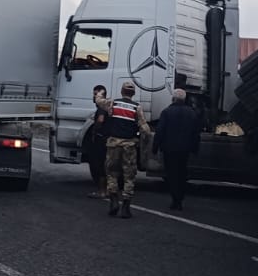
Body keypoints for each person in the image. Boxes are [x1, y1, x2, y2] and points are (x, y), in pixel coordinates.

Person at [103, 81, 149, 218]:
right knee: (129, 176)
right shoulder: (136, 107)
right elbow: (145, 129)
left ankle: (113, 201)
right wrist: (144, 141)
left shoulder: (114, 103)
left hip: (113, 144)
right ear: (133, 93)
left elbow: (101, 103)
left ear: (122, 91)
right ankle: (125, 208)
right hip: (129, 146)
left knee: (112, 173)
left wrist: (100, 94)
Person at [152, 88, 201, 210]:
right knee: (182, 173)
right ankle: (180, 197)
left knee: (171, 174)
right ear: (184, 99)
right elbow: (196, 133)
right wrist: (195, 148)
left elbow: (160, 131)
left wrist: (155, 147)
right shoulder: (192, 113)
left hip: (169, 149)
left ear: (173, 98)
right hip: (185, 149)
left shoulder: (166, 112)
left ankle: (175, 199)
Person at [81, 84, 110, 198]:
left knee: (99, 165)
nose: (94, 97)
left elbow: (101, 120)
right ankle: (106, 190)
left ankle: (101, 191)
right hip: (106, 139)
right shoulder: (107, 106)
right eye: (94, 94)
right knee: (105, 165)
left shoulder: (102, 108)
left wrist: (95, 129)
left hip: (100, 140)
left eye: (96, 94)